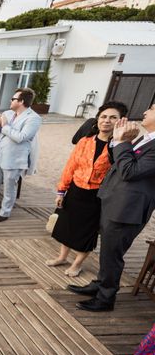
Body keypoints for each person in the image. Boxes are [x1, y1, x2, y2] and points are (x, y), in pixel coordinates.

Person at [68, 104, 155, 312]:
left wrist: (122, 142)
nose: (145, 111)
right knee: (107, 251)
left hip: (127, 210)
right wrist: (118, 141)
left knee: (112, 255)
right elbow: (120, 163)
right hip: (116, 203)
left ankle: (106, 298)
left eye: (151, 109)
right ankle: (100, 284)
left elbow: (129, 171)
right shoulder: (148, 138)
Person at [46, 103, 119, 277]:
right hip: (75, 190)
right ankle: (62, 257)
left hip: (97, 196)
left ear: (120, 121)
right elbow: (70, 166)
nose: (107, 121)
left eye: (112, 117)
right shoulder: (85, 142)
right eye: (103, 116)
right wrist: (61, 191)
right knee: (67, 225)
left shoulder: (119, 147)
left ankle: (77, 264)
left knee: (87, 231)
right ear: (97, 119)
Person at [0, 88, 41, 222]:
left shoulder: (34, 118)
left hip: (14, 159)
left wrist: (5, 126)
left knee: (9, 188)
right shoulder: (7, 113)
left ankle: (4, 213)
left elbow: (21, 137)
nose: (10, 101)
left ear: (21, 101)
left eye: (13, 99)